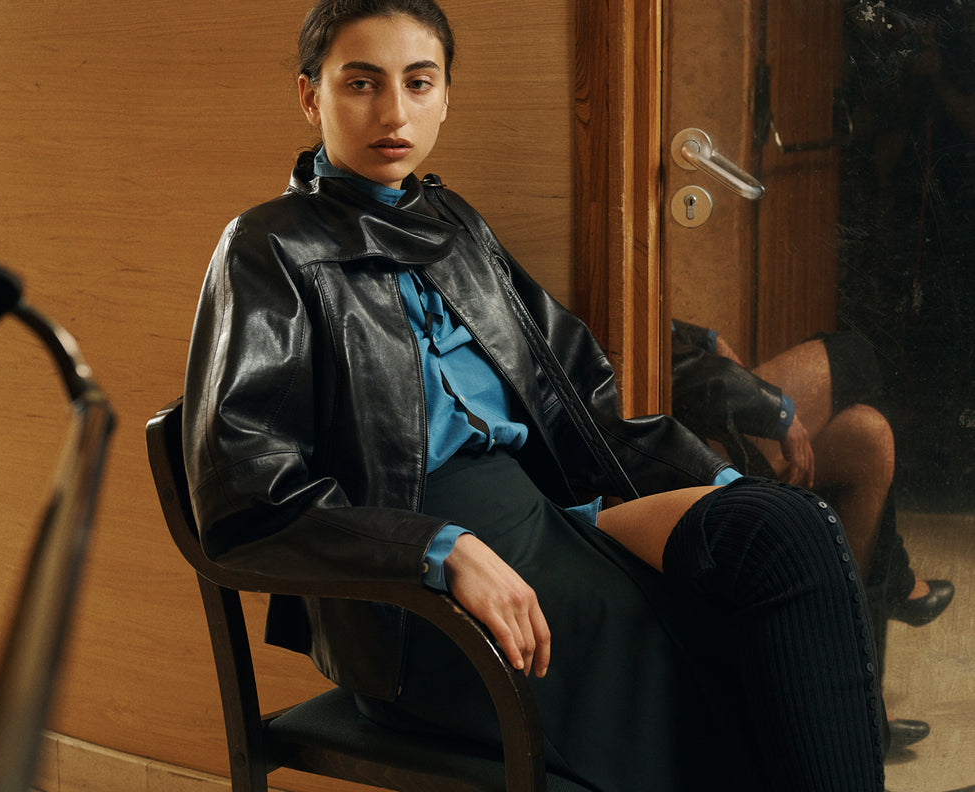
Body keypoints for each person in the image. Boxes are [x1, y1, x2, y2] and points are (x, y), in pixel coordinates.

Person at [181, 1, 888, 789]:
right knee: (719, 650)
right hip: (418, 593)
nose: (394, 112)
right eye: (361, 83)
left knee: (788, 527)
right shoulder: (267, 248)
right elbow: (245, 499)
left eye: (419, 82)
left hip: (544, 514)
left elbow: (577, 400)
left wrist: (716, 483)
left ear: (446, 95)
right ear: (311, 97)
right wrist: (436, 548)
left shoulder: (454, 225)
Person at [670, 320, 956, 751]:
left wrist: (705, 338)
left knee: (870, 438)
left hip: (691, 389)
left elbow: (667, 333)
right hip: (680, 425)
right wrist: (777, 412)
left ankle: (857, 700)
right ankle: (895, 578)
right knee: (856, 354)